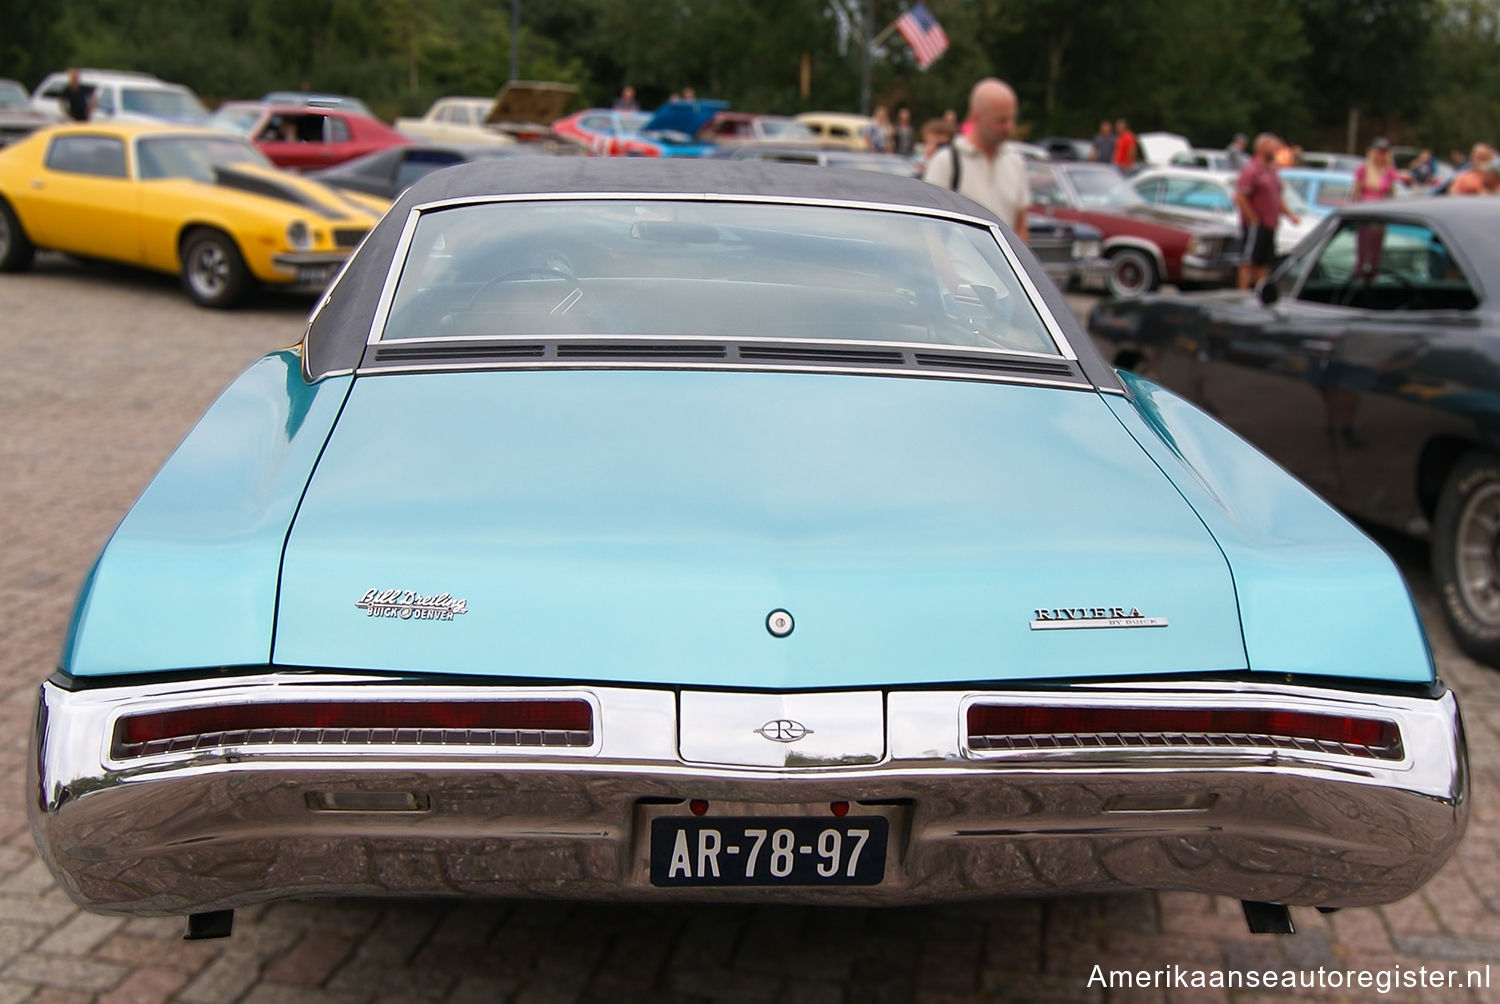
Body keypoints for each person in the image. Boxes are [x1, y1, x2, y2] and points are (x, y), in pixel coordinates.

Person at [920, 77, 1029, 242]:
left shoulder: (1015, 162)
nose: (1009, 127)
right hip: (958, 266)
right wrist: (945, 266)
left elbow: (1021, 225)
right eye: (1001, 121)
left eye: (1011, 119)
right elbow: (929, 229)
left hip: (1002, 267)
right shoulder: (947, 162)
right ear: (976, 117)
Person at [1234, 133, 1299, 290]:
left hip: (1271, 224)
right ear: (1262, 148)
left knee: (1264, 263)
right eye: (1272, 146)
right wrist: (1253, 218)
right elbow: (1240, 196)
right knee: (1249, 261)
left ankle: (1259, 293)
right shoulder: (1251, 170)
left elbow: (1277, 197)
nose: (1275, 150)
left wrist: (1289, 214)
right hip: (1256, 225)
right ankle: (1242, 293)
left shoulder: (1271, 171)